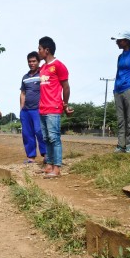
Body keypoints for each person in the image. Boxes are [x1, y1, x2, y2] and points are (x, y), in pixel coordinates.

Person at [37, 36, 73, 178]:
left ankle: (57, 169)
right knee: (46, 138)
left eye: (39, 48)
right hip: (42, 108)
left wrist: (65, 104)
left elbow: (66, 87)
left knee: (54, 138)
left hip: (53, 108)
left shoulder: (58, 65)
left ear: (47, 50)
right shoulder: (43, 68)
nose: (38, 51)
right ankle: (49, 165)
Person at [20, 51, 46, 164]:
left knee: (39, 131)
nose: (31, 63)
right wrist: (21, 109)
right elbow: (23, 93)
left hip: (38, 109)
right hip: (26, 110)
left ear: (38, 61)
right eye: (29, 61)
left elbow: (46, 89)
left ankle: (46, 155)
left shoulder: (42, 74)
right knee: (27, 133)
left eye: (34, 61)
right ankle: (31, 157)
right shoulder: (25, 77)